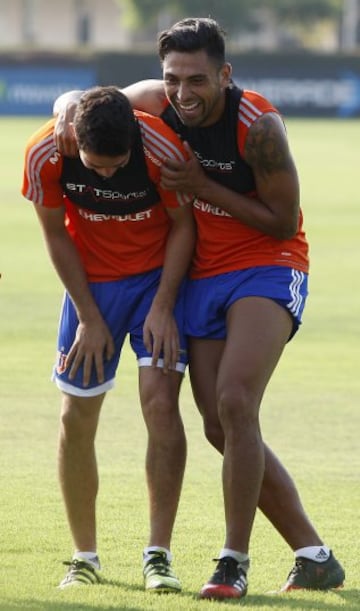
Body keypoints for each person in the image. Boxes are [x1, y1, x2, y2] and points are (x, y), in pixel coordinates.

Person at [53, 18, 345, 600]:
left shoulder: (257, 127)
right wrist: (64, 106)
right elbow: (86, 104)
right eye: (173, 79)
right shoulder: (155, 103)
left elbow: (283, 221)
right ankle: (314, 555)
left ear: (224, 75)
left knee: (237, 401)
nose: (183, 93)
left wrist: (205, 188)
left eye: (197, 80)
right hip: (200, 274)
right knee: (219, 423)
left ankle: (232, 560)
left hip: (268, 264)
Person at [22, 85, 196, 592]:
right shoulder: (45, 152)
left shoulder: (162, 148)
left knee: (162, 405)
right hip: (88, 286)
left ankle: (157, 556)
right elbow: (55, 233)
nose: (106, 174)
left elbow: (184, 226)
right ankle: (85, 557)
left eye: (117, 165)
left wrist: (163, 306)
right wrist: (88, 316)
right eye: (96, 167)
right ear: (74, 137)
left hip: (155, 283)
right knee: (76, 415)